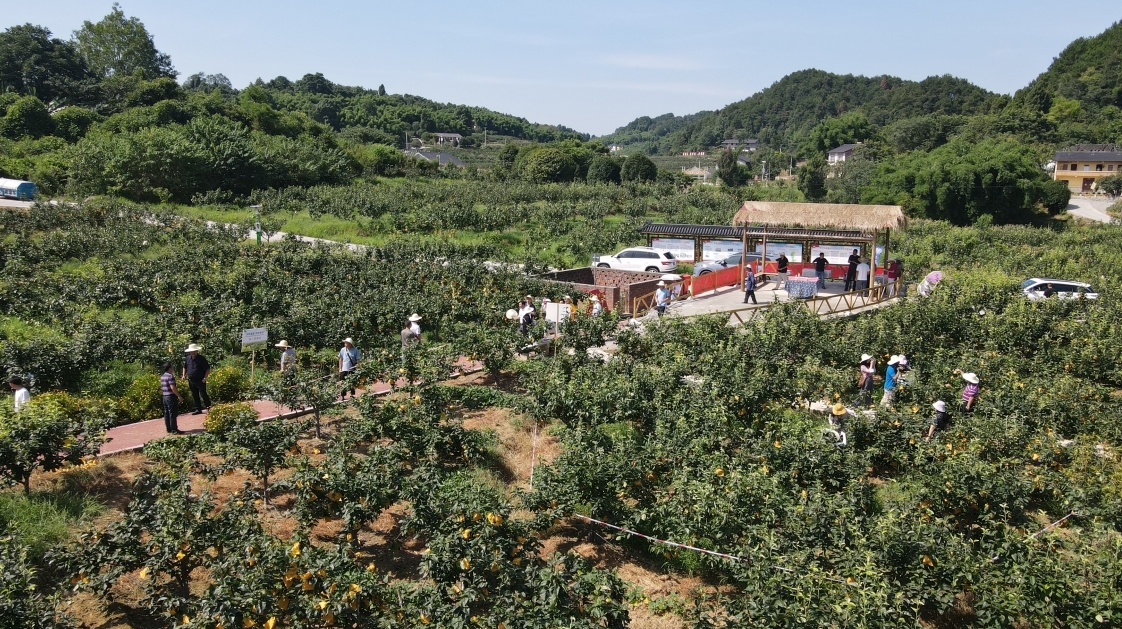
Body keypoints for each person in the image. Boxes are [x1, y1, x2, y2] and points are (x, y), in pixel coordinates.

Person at [181, 343, 211, 415]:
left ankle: (209, 407)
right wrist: (183, 375)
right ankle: (198, 409)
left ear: (197, 351)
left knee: (203, 394)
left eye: (194, 351)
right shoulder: (188, 358)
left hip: (200, 380)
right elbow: (184, 367)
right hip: (191, 380)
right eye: (191, 351)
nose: (193, 353)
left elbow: (207, 369)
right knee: (195, 394)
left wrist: (205, 378)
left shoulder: (201, 359)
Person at [160, 362, 184, 435]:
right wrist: (179, 396)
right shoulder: (170, 376)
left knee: (166, 413)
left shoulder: (162, 376)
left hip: (165, 397)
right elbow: (173, 388)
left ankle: (169, 428)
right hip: (170, 396)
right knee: (172, 413)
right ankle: (174, 429)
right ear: (169, 368)